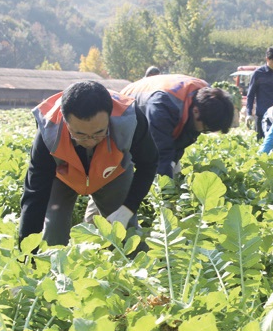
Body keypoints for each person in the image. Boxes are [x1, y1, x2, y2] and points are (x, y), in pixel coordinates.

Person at [18, 81, 158, 246]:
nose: (90, 141)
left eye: (99, 133)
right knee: (53, 231)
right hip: (63, 176)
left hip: (113, 173)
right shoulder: (48, 132)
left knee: (126, 236)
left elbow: (148, 164)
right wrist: (25, 254)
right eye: (80, 134)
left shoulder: (130, 120)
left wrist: (128, 208)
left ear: (110, 116)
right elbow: (34, 195)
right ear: (66, 122)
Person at [120, 74, 234, 178]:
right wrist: (166, 191)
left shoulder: (206, 98)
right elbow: (160, 153)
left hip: (156, 105)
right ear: (196, 111)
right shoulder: (163, 107)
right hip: (123, 112)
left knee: (170, 169)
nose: (203, 132)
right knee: (135, 169)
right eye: (205, 129)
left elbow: (184, 138)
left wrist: (172, 163)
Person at [246, 47, 273, 140]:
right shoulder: (258, 74)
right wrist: (249, 113)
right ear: (267, 59)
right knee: (261, 142)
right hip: (262, 114)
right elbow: (250, 95)